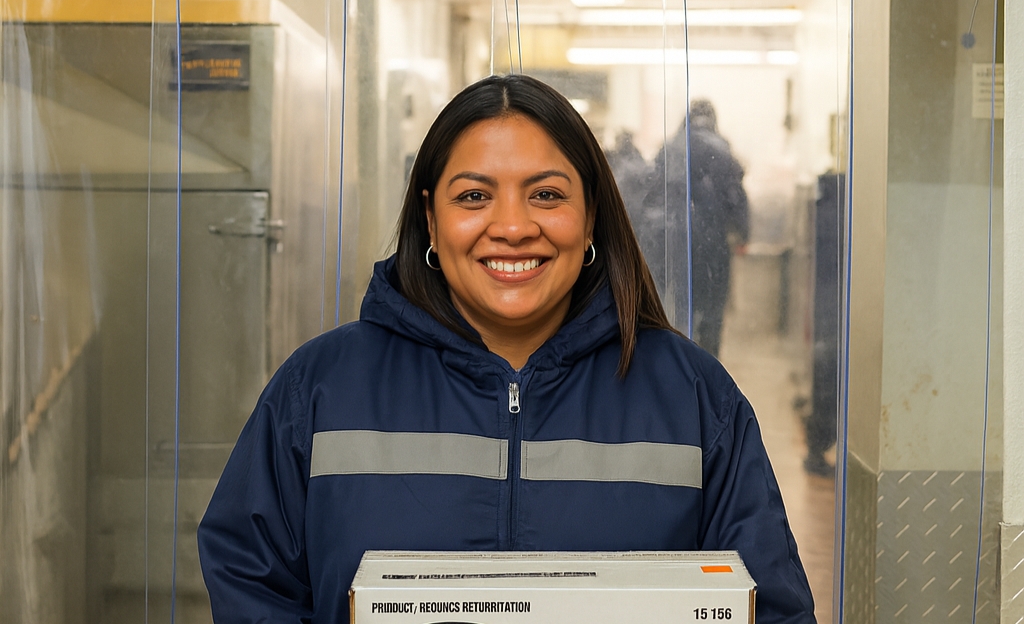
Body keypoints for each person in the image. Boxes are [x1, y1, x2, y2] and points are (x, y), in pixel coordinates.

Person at [197, 75, 815, 624]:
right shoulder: (319, 390)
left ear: (591, 215)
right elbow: (252, 581)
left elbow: (770, 605)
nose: (514, 226)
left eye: (546, 194)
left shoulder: (695, 398)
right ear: (431, 220)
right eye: (473, 196)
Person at [642, 99, 749, 357]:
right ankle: (710, 363)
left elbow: (652, 197)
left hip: (675, 240)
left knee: (678, 306)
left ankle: (677, 362)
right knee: (712, 309)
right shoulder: (722, 151)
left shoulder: (669, 149)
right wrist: (744, 233)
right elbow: (736, 196)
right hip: (713, 245)